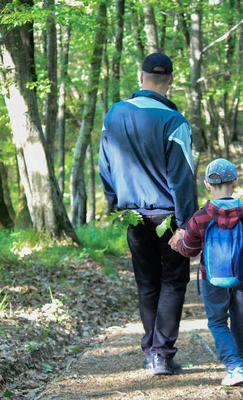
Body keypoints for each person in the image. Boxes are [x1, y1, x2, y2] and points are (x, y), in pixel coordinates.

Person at [98, 53, 198, 375]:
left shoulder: (114, 114)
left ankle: (151, 352)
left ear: (141, 78)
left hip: (132, 216)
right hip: (169, 217)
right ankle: (161, 355)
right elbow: (182, 178)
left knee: (147, 283)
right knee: (172, 282)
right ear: (170, 80)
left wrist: (115, 201)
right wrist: (187, 224)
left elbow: (105, 166)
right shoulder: (174, 122)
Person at [169, 158, 243, 386]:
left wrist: (176, 242)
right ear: (235, 181)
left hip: (211, 278)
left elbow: (191, 250)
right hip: (239, 277)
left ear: (206, 184)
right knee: (240, 318)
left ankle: (233, 367)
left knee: (217, 322)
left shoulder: (201, 216)